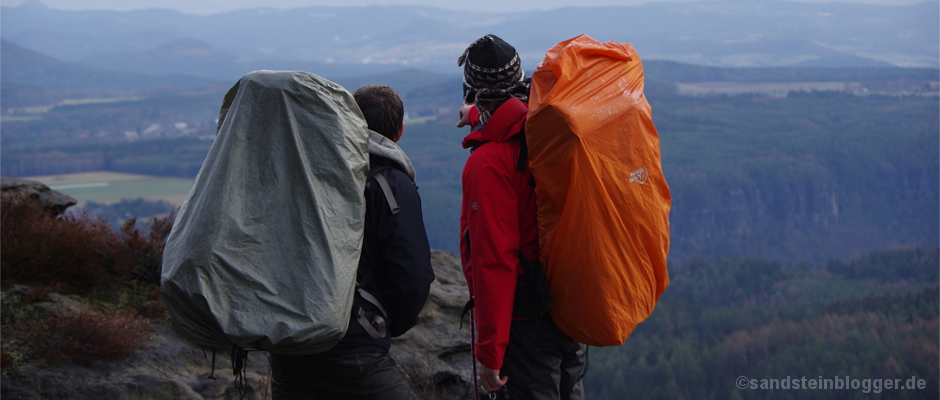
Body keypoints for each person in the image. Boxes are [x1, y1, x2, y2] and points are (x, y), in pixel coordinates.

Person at [269, 84, 435, 400]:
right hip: (354, 348)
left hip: (289, 343)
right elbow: (412, 274)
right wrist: (384, 324)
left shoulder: (309, 170)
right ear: (399, 131)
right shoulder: (391, 184)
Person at [456, 35, 588, 400]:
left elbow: (495, 259)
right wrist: (479, 119)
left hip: (524, 324)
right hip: (566, 305)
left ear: (472, 89)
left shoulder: (487, 164)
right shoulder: (549, 128)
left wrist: (490, 352)